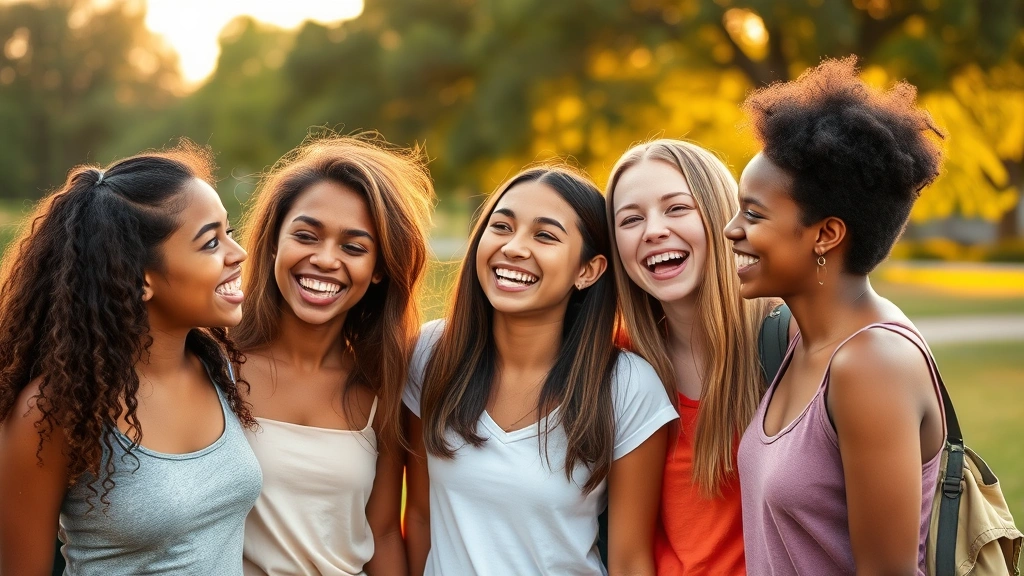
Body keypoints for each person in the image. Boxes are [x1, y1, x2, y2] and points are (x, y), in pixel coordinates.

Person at [728, 56, 947, 575]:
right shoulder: (797, 341)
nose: (731, 229)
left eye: (754, 213)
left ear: (826, 235)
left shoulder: (871, 364)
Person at [0, 142, 261, 575]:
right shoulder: (50, 412)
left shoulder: (219, 370)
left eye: (229, 232)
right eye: (211, 242)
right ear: (141, 278)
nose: (238, 254)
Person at [403, 165, 678, 575]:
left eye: (545, 235)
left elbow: (629, 559)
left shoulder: (627, 386)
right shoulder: (432, 354)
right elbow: (421, 517)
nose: (513, 248)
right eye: (501, 226)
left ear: (588, 271)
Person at [232, 136, 434, 576]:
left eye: (354, 247)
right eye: (306, 236)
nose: (325, 259)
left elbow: (381, 535)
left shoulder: (384, 385)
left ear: (379, 269)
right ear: (273, 243)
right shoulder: (215, 363)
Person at [606, 139, 777, 575]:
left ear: (725, 216)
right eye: (631, 219)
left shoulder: (788, 342)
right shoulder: (618, 363)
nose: (653, 230)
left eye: (677, 208)